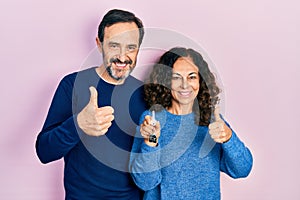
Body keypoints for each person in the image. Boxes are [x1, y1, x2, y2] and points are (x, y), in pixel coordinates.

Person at [35, 9, 147, 199]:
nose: (122, 56)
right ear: (99, 44)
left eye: (130, 47)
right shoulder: (72, 85)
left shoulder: (145, 94)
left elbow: (150, 159)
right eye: (114, 45)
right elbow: (44, 152)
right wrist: (78, 125)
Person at [129, 47, 253, 199]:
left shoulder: (213, 121)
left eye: (192, 77)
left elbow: (243, 169)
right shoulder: (152, 120)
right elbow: (145, 183)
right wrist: (151, 143)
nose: (185, 85)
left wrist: (229, 138)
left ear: (201, 81)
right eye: (176, 77)